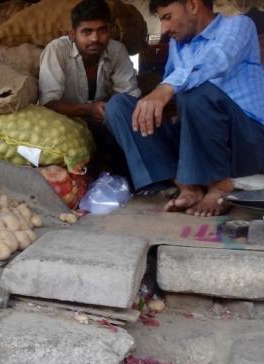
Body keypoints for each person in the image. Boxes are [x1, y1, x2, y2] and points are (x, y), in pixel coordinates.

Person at [105, 0, 264, 216]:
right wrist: (161, 103)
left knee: (196, 91)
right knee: (120, 106)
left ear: (193, 5)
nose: (164, 29)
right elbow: (171, 91)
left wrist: (167, 89)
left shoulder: (238, 25)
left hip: (244, 138)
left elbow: (217, 59)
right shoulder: (177, 44)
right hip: (197, 139)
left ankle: (220, 186)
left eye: (167, 17)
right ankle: (188, 187)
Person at [39, 0, 140, 178]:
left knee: (127, 131)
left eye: (102, 30)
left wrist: (108, 110)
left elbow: (129, 96)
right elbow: (49, 103)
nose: (95, 38)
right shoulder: (56, 50)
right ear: (72, 34)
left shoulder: (117, 50)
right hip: (66, 121)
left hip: (105, 120)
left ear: (110, 30)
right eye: (87, 32)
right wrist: (88, 109)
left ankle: (136, 181)